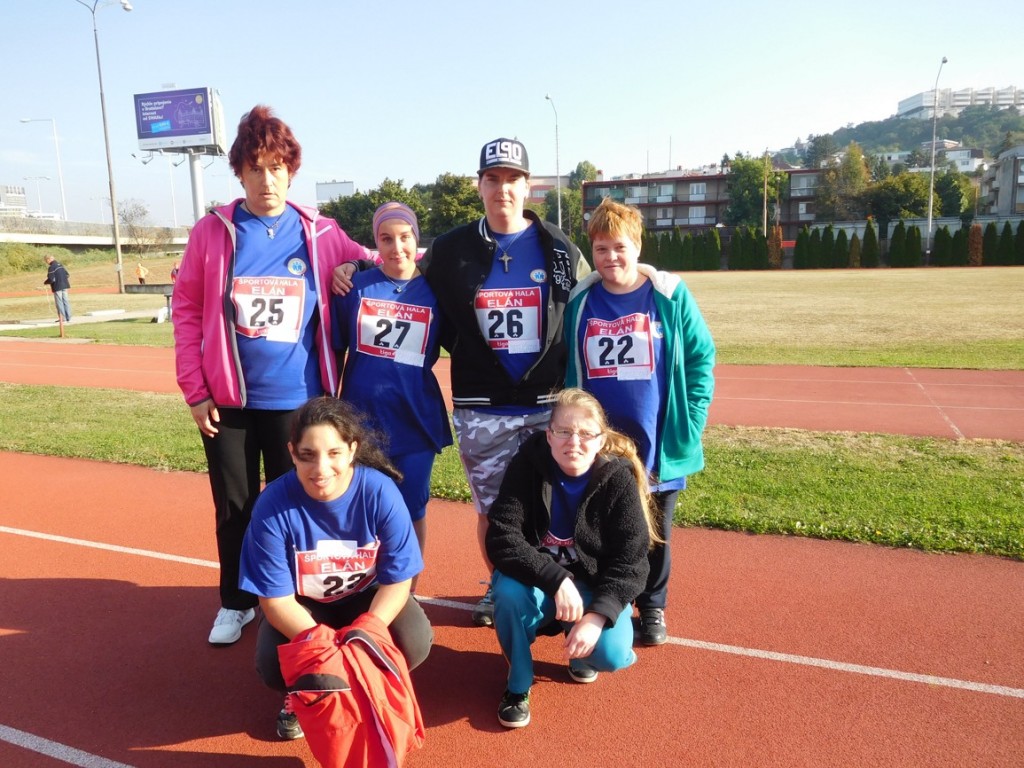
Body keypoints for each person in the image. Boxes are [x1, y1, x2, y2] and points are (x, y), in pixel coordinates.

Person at [172, 105, 367, 647]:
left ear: (291, 171)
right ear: (239, 173)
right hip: (228, 402)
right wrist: (195, 390)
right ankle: (237, 602)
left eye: (277, 168)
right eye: (255, 168)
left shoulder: (321, 232)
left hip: (298, 403)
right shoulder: (212, 232)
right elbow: (186, 310)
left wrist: (353, 266)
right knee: (235, 506)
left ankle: (296, 598)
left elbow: (377, 258)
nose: (267, 180)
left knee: (298, 505)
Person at [380, 137, 589, 626]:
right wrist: (351, 264)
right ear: (479, 186)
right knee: (494, 509)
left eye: (513, 179)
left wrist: (646, 274)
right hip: (482, 405)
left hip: (546, 404)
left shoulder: (559, 247)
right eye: (492, 179)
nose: (502, 189)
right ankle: (502, 585)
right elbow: (403, 275)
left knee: (553, 503)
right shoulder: (450, 249)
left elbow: (591, 291)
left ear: (528, 185)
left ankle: (555, 585)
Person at [564, 198, 715, 646]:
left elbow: (701, 358)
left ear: (638, 246)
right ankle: (605, 599)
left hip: (656, 439)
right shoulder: (581, 301)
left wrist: (692, 420)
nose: (611, 257)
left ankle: (652, 606)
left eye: (620, 247)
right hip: (601, 441)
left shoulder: (669, 295)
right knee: (601, 525)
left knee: (655, 530)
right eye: (601, 248)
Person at [239, 396, 432, 741]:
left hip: (365, 597)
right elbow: (276, 601)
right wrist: (323, 647)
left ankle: (370, 682)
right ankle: (301, 694)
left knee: (415, 640)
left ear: (352, 450)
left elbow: (398, 580)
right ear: (292, 452)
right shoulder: (272, 507)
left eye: (334, 453)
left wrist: (367, 633)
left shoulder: (380, 493)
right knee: (272, 664)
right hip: (304, 605)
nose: (321, 469)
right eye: (307, 455)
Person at [485, 387, 659, 728]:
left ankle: (584, 654)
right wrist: (556, 580)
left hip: (592, 585)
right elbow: (502, 536)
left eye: (585, 434)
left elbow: (631, 562)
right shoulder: (527, 465)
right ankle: (518, 685)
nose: (573, 442)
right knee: (507, 593)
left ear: (601, 440)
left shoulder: (618, 480)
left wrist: (597, 616)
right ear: (549, 435)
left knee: (612, 655)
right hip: (540, 582)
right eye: (563, 431)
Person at [331, 202, 451, 589]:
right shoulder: (355, 287)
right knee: (361, 510)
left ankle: (407, 592)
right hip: (360, 421)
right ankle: (361, 588)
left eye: (404, 237)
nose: (396, 247)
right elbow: (334, 348)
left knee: (411, 510)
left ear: (416, 238)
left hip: (415, 421)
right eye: (386, 239)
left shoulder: (437, 291)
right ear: (376, 243)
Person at [42, 254, 71, 322]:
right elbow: (67, 275)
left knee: (59, 302)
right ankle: (68, 317)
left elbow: (51, 279)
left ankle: (62, 318)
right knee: (66, 301)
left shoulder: (51, 267)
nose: (46, 262)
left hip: (57, 286)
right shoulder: (60, 265)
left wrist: (45, 282)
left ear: (49, 259)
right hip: (65, 285)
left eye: (46, 260)